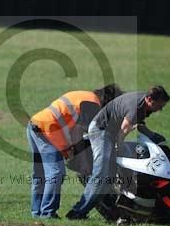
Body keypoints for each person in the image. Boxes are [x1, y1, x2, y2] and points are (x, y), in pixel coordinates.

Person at [66, 85, 170, 220]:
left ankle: (123, 209)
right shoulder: (136, 106)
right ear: (150, 99)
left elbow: (138, 125)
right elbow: (123, 131)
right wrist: (119, 150)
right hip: (101, 131)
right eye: (159, 105)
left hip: (110, 133)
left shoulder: (143, 102)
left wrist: (154, 136)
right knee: (101, 174)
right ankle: (77, 213)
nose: (160, 109)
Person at [27, 84, 123, 218]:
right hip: (48, 131)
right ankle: (47, 213)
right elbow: (78, 132)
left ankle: (36, 212)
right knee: (55, 173)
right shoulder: (92, 104)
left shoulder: (84, 96)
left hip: (35, 124)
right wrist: (82, 161)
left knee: (40, 174)